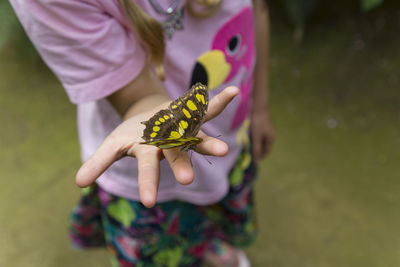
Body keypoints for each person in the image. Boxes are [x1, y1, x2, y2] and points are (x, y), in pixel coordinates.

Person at [10, 0, 275, 266]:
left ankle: (208, 242)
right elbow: (140, 95)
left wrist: (259, 108)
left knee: (213, 199)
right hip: (147, 164)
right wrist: (147, 114)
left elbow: (257, 10)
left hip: (231, 130)